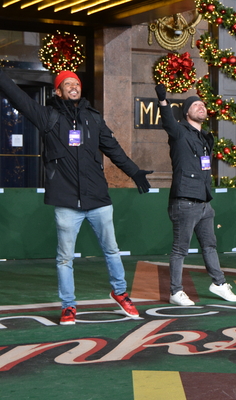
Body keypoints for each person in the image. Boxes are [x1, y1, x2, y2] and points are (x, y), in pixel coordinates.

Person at [0, 69, 153, 325]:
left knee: (112, 251)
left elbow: (114, 150)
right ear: (58, 91)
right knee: (64, 258)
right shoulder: (47, 116)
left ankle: (120, 293)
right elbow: (18, 98)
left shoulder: (93, 118)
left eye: (76, 84)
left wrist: (134, 171)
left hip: (98, 200)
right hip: (67, 202)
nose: (73, 87)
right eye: (67, 84)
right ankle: (69, 306)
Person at [155, 84, 236, 305]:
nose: (201, 107)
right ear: (186, 112)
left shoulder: (204, 137)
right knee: (180, 249)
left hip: (204, 202)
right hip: (184, 201)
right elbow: (167, 122)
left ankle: (219, 283)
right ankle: (175, 292)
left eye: (202, 105)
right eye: (195, 105)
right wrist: (163, 101)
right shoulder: (179, 131)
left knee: (210, 245)